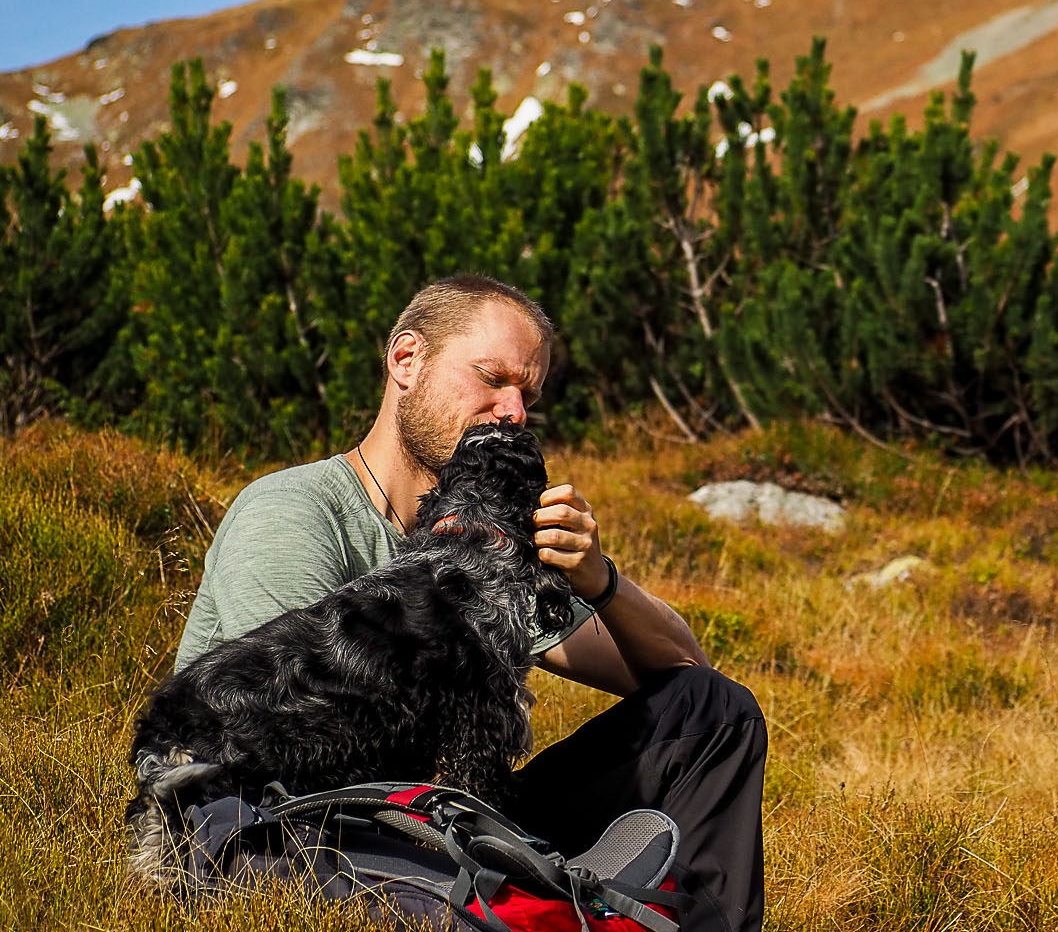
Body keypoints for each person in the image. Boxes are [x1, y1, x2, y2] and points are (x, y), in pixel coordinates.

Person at [173, 274, 765, 932]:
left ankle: (561, 897)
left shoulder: (484, 539)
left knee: (716, 716)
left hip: (443, 818)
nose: (513, 410)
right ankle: (556, 897)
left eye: (527, 395)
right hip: (296, 830)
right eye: (492, 378)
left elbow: (684, 670)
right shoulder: (293, 515)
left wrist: (599, 579)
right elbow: (290, 742)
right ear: (406, 360)